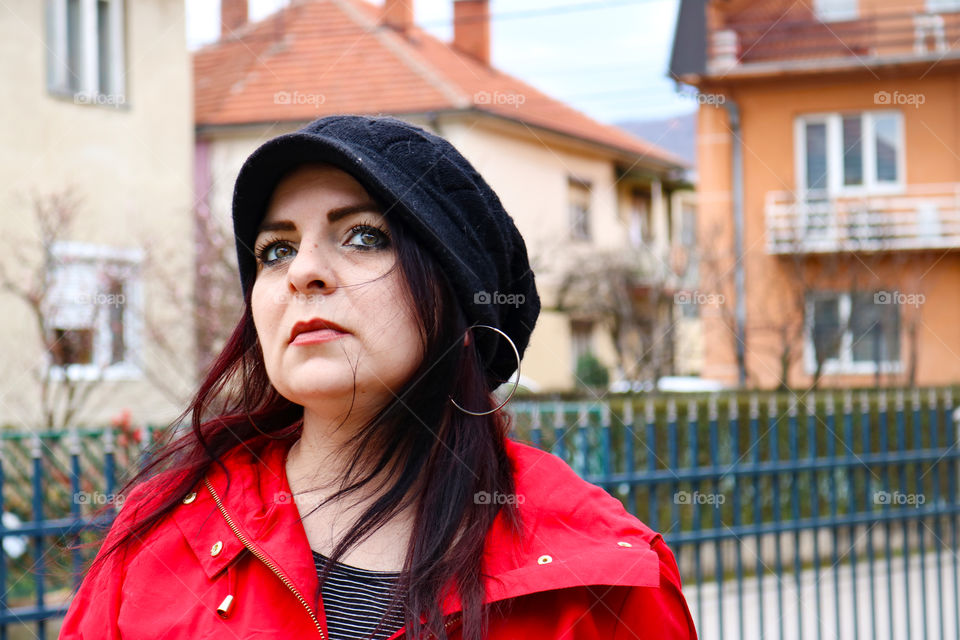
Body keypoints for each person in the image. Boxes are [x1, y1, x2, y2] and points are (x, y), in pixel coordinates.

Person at [59, 115, 697, 639]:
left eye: (363, 236)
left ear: (458, 293)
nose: (303, 270)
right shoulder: (162, 529)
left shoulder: (599, 570)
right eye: (275, 250)